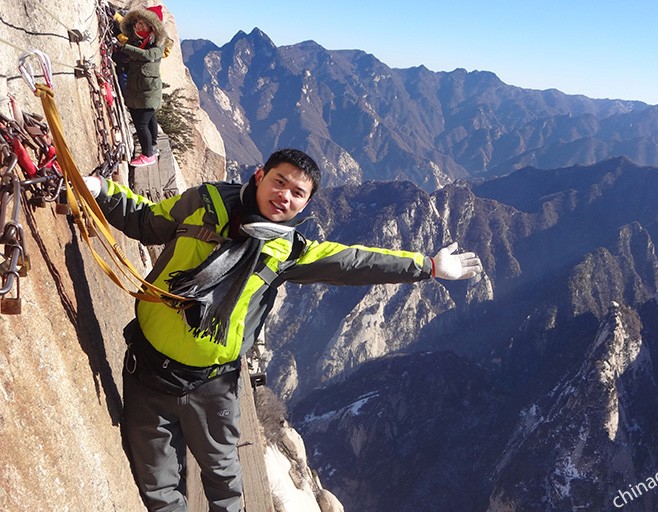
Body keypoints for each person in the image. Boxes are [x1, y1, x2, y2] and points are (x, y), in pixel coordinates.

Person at [84, 148, 482, 511]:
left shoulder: (290, 251)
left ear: (305, 204)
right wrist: (99, 189)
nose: (285, 196)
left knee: (224, 481)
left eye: (298, 193)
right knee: (157, 481)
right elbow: (146, 220)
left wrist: (427, 266)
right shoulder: (204, 204)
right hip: (148, 372)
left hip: (211, 386)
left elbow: (354, 262)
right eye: (280, 182)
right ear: (259, 176)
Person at [116, 5, 171, 167]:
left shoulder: (157, 43)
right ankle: (152, 147)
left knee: (141, 123)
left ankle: (148, 155)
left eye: (143, 23)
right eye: (137, 23)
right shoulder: (139, 40)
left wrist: (124, 48)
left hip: (147, 90)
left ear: (152, 26)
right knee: (150, 118)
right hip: (140, 88)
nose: (138, 26)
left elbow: (148, 55)